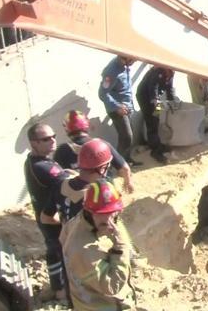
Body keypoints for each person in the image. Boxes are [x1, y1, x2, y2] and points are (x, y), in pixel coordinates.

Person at [60, 179, 136, 310]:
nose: (108, 220)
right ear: (89, 212)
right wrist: (119, 249)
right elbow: (112, 285)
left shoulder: (80, 221)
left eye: (112, 213)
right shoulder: (82, 249)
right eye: (102, 215)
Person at [24, 123, 67, 301]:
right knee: (60, 252)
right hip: (52, 219)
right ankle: (61, 292)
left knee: (54, 251)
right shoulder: (43, 166)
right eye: (46, 139)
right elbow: (66, 182)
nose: (52, 141)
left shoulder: (33, 160)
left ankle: (58, 287)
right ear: (34, 143)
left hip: (45, 216)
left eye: (53, 136)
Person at [54, 111, 133, 193]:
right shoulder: (101, 144)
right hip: (107, 193)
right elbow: (125, 168)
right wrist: (128, 182)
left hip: (81, 198)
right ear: (87, 126)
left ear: (67, 130)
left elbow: (58, 180)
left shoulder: (61, 151)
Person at [42, 139, 115, 226]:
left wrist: (68, 225)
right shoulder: (99, 194)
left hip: (67, 238)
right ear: (102, 168)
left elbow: (45, 218)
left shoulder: (60, 184)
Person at [99, 55, 142, 166]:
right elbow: (102, 93)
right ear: (125, 57)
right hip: (117, 109)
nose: (134, 62)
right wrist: (117, 106)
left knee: (128, 137)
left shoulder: (125, 66)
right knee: (127, 136)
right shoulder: (112, 71)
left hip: (126, 107)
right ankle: (119, 166)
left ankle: (126, 160)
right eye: (133, 59)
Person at [136, 66, 176, 164]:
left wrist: (172, 102)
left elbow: (169, 88)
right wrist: (156, 102)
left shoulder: (171, 72)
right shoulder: (157, 71)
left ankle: (155, 143)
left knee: (156, 118)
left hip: (155, 99)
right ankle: (155, 151)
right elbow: (153, 88)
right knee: (151, 120)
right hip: (145, 97)